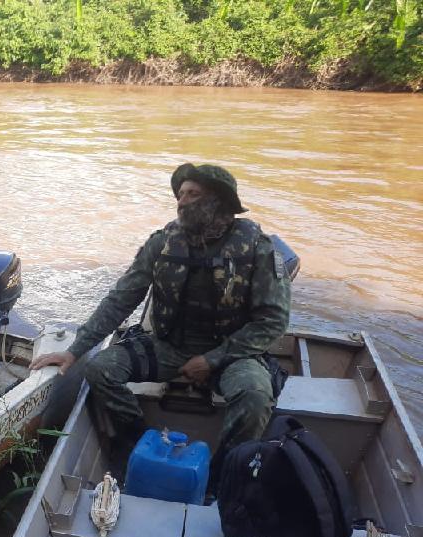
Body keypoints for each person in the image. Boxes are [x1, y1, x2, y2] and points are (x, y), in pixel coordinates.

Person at [31, 163, 291, 484]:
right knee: (100, 370)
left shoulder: (257, 248)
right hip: (168, 347)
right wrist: (74, 350)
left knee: (255, 395)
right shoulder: (163, 242)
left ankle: (224, 476)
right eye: (180, 194)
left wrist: (211, 360)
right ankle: (139, 443)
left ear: (218, 201)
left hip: (232, 355)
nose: (181, 202)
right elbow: (121, 298)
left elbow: (272, 321)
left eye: (193, 194)